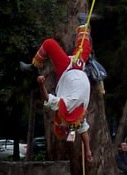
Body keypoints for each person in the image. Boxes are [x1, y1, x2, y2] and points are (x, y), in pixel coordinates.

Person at [23, 21, 94, 163]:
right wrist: (88, 150)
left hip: (66, 70)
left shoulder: (62, 109)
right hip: (79, 69)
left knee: (49, 44)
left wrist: (41, 84)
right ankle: (82, 24)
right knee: (84, 48)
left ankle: (34, 65)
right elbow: (84, 133)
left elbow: (47, 98)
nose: (64, 126)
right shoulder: (77, 120)